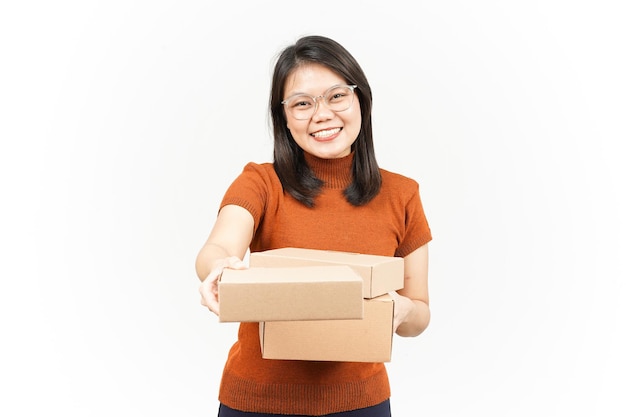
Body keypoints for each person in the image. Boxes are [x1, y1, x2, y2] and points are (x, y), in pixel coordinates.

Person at [196, 35, 432, 417]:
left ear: (361, 100)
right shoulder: (261, 183)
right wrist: (219, 268)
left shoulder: (402, 195)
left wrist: (401, 311)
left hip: (361, 404)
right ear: (285, 119)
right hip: (257, 403)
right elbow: (218, 248)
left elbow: (419, 314)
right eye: (302, 103)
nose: (321, 114)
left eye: (336, 96)